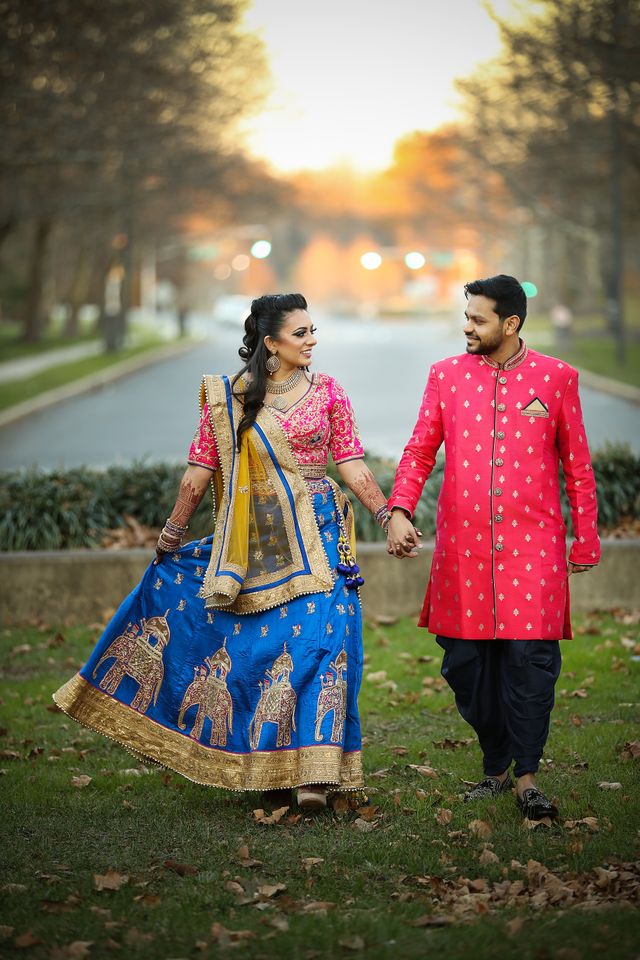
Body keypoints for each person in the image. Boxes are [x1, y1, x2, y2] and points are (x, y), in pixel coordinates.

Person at [54, 294, 390, 810]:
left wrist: (386, 515)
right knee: (266, 648)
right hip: (254, 541)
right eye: (300, 333)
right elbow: (198, 475)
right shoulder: (229, 398)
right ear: (270, 342)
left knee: (327, 640)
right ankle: (272, 763)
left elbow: (352, 463)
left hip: (320, 536)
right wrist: (171, 535)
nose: (312, 341)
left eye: (312, 330)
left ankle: (316, 774)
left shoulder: (329, 392)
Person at [386, 275, 600, 821]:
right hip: (464, 552)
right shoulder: (446, 376)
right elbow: (418, 451)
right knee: (466, 665)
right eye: (467, 315)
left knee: (530, 664)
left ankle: (525, 777)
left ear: (511, 323)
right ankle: (495, 762)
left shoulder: (556, 378)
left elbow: (577, 466)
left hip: (536, 551)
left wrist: (587, 536)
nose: (467, 326)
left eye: (478, 318)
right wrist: (400, 509)